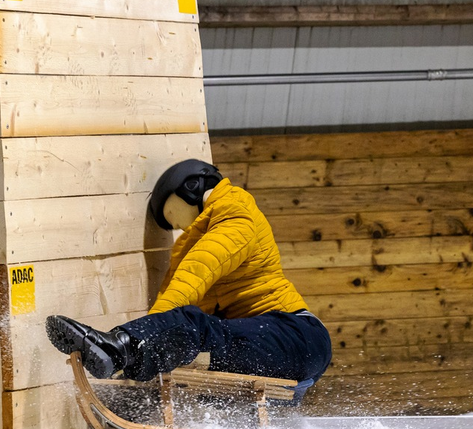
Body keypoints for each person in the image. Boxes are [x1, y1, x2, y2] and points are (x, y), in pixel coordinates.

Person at [46, 159, 332, 391]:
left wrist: (144, 333)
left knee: (194, 326)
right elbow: (179, 299)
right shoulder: (197, 239)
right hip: (263, 345)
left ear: (191, 188)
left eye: (174, 215)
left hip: (298, 335)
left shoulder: (235, 210)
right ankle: (133, 389)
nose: (180, 227)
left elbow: (198, 270)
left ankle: (118, 347)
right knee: (198, 349)